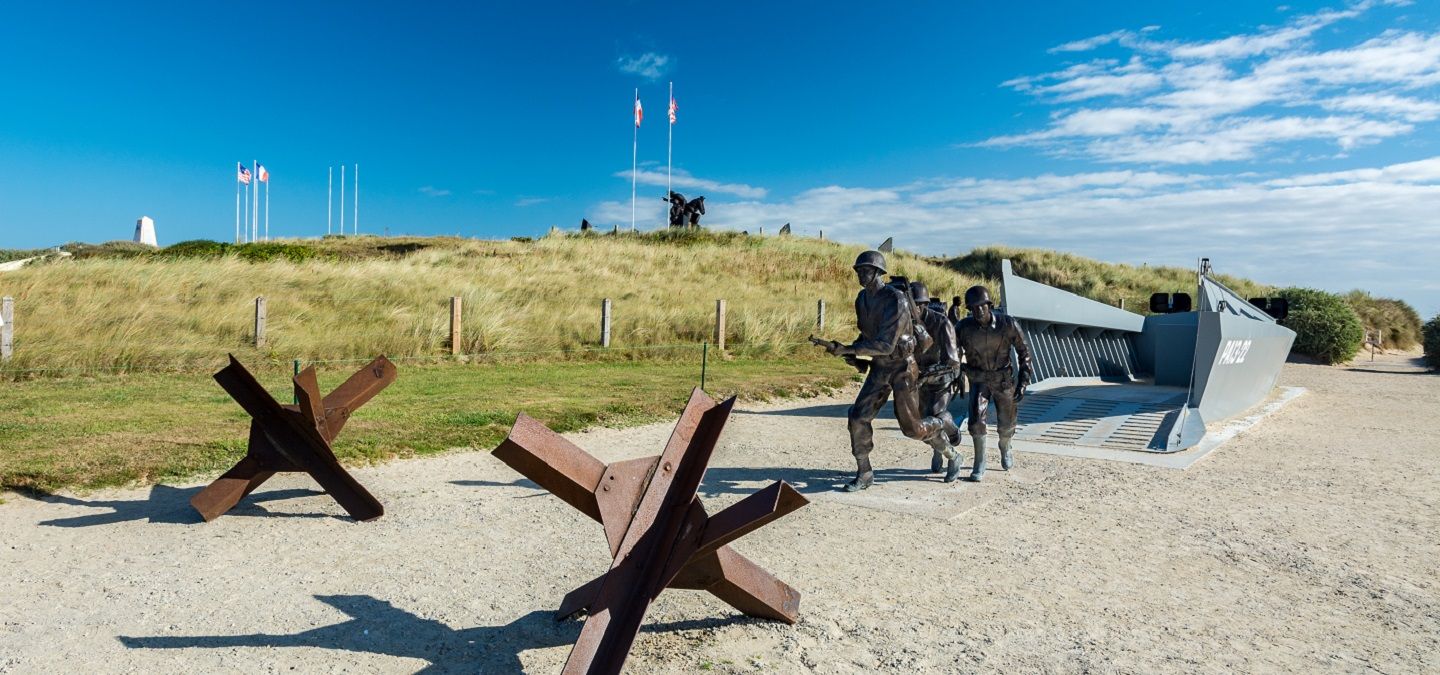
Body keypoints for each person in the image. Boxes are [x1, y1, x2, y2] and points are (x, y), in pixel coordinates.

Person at [823, 250, 960, 491]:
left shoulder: (896, 299)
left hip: (902, 368)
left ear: (878, 272)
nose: (859, 274)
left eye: (864, 270)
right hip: (880, 367)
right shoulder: (861, 299)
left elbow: (886, 344)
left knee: (913, 429)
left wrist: (849, 350)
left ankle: (946, 440)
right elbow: (868, 334)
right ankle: (864, 472)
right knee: (857, 417)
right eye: (858, 270)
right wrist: (849, 352)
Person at [954, 285, 1033, 482]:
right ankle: (980, 462)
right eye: (974, 307)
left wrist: (1023, 381)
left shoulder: (1008, 324)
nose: (979, 311)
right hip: (979, 380)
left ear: (989, 305)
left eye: (982, 306)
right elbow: (954, 353)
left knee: (1006, 424)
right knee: (976, 422)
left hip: (1003, 380)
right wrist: (957, 372)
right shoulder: (963, 327)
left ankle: (1005, 446)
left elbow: (1024, 354)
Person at [909, 282, 963, 478]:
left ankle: (953, 435)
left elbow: (953, 362)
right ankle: (945, 451)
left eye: (912, 305)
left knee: (937, 415)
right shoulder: (904, 323)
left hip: (941, 379)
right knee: (918, 427)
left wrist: (929, 373)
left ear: (922, 305)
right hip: (918, 382)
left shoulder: (942, 323)